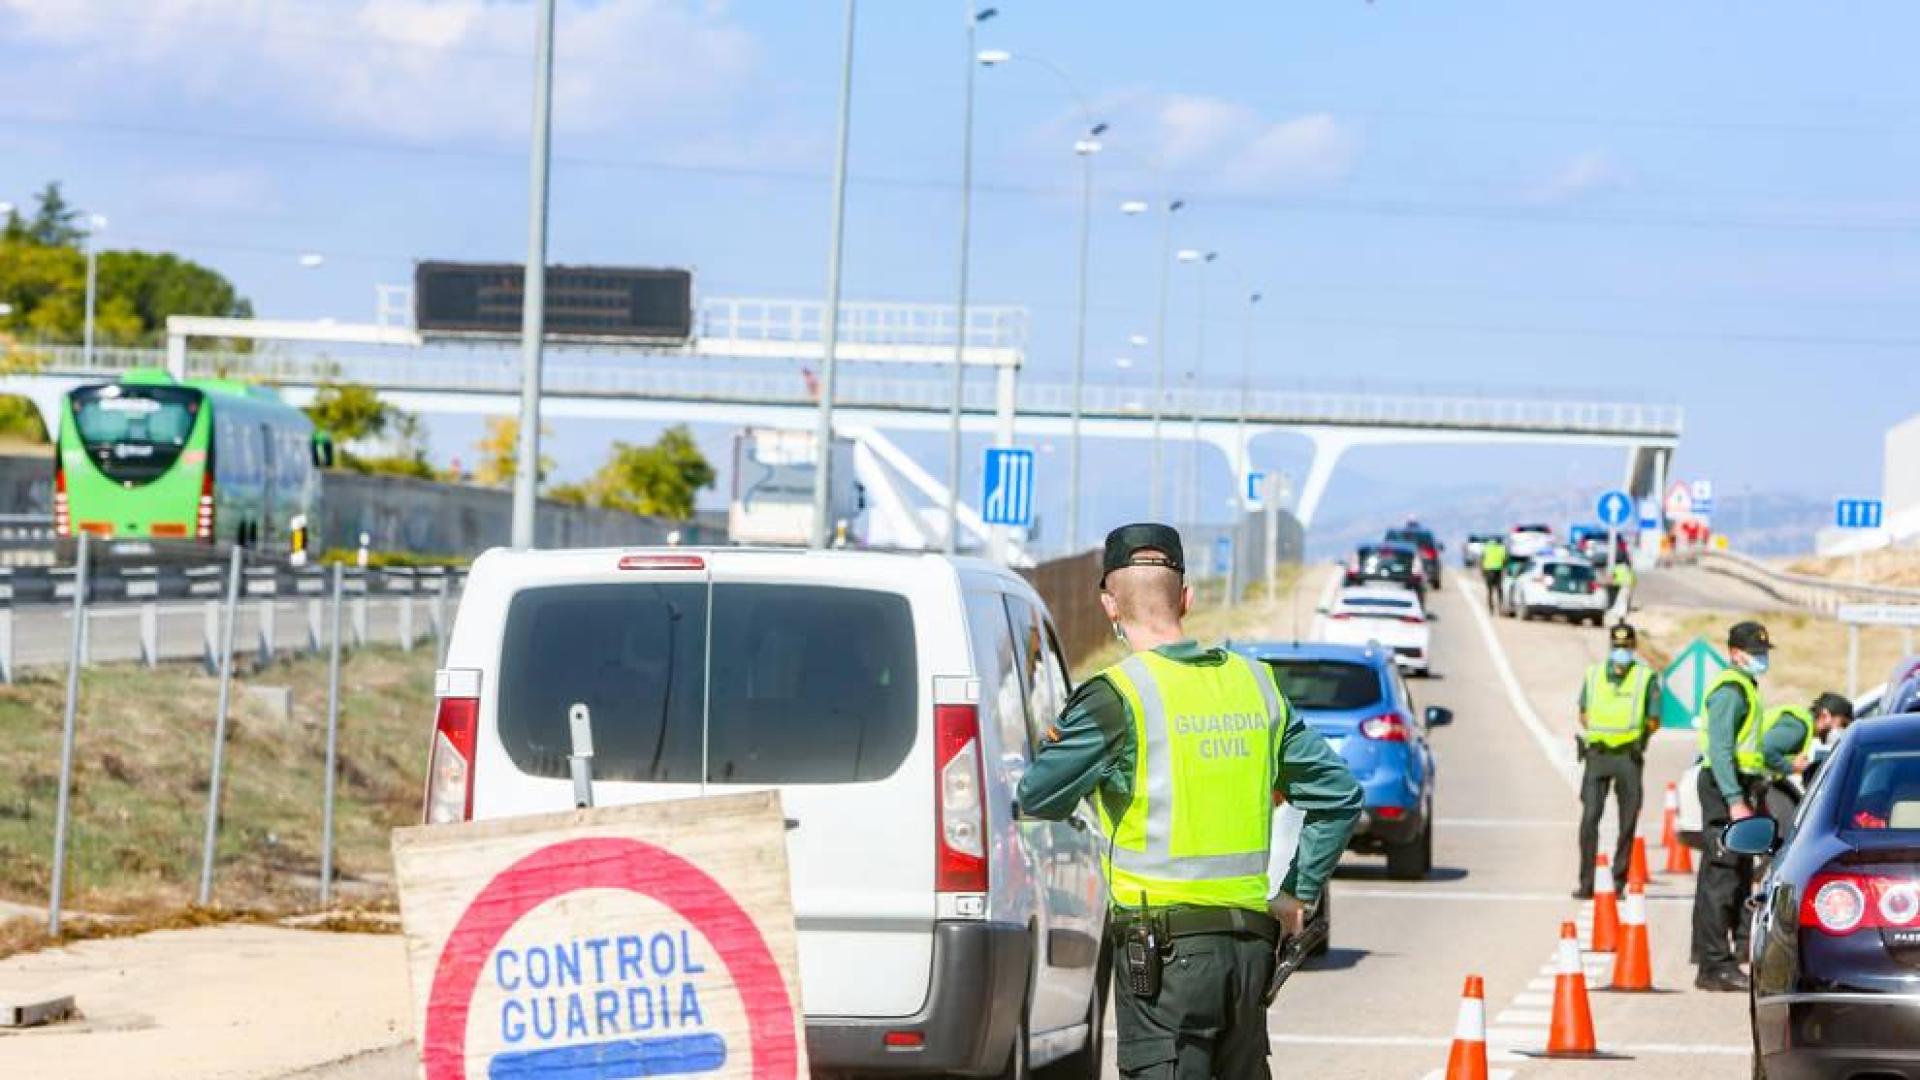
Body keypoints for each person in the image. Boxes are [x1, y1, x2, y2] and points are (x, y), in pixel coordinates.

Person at [1017, 523, 1363, 1079]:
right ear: (1186, 598)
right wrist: (1297, 891)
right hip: (1249, 952)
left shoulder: (1117, 696)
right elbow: (1340, 797)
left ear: (1109, 604)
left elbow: (1039, 796)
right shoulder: (1258, 687)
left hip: (1164, 961)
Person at [1691, 620, 1772, 992]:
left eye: (1763, 654)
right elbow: (1721, 751)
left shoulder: (1745, 687)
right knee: (1721, 876)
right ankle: (1713, 966)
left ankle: (1717, 956)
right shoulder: (1730, 691)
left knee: (1731, 872)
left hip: (1738, 785)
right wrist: (1735, 801)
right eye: (1754, 654)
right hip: (1726, 789)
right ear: (1735, 654)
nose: (1760, 659)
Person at [1573, 623, 1660, 899]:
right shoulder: (1594, 674)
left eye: (1626, 647)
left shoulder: (1646, 678)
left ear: (1634, 648)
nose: (1621, 652)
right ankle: (1587, 882)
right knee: (1589, 819)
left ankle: (1618, 880)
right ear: (1611, 647)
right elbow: (1583, 712)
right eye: (1617, 647)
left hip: (1628, 757)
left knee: (1627, 821)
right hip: (1597, 755)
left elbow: (1654, 719)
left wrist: (1637, 737)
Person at [1802, 691, 1855, 786]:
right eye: (1843, 724)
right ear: (1825, 715)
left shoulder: (1806, 732)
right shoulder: (1799, 729)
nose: (1843, 731)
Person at [1480, 535, 1509, 612]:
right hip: (1498, 570)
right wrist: (1504, 568)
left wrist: (1482, 571)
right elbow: (1505, 559)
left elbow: (1482, 560)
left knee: (1490, 590)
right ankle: (1500, 606)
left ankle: (1491, 607)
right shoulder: (1502, 548)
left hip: (1488, 571)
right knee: (1499, 589)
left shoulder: (1486, 547)